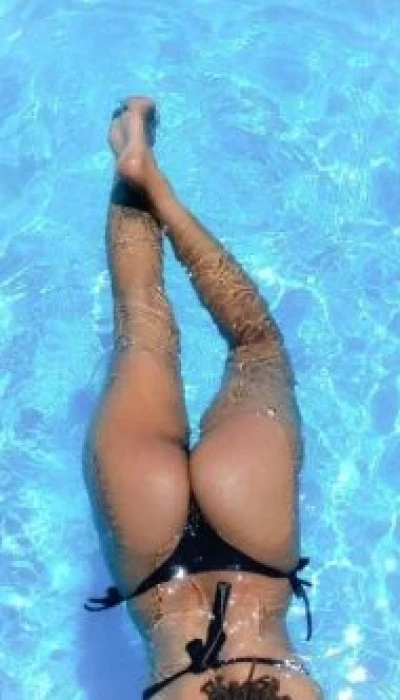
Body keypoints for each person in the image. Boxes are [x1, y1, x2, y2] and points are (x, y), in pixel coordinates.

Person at [82, 97, 323, 699]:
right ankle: (130, 164)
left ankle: (158, 190)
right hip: (153, 566)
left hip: (253, 531)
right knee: (141, 325)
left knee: (257, 345)